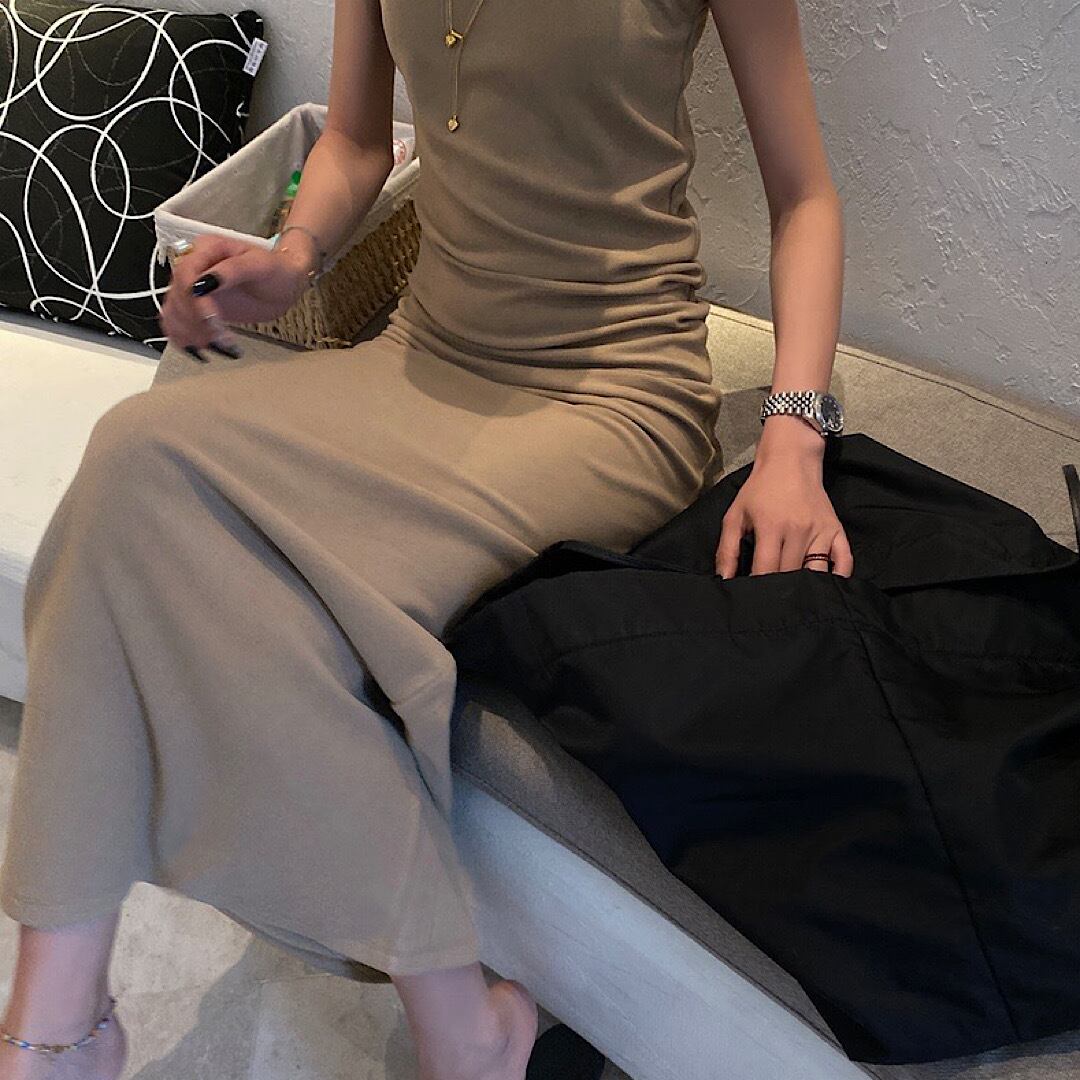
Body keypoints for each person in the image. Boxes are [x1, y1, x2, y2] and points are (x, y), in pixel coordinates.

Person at [0, 0, 849, 1077]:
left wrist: (793, 438)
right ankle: (57, 1024)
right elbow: (357, 141)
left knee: (287, 592)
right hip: (421, 355)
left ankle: (454, 1023)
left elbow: (806, 196)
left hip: (610, 397)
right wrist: (294, 257)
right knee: (134, 452)